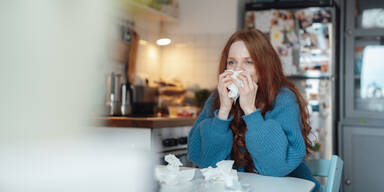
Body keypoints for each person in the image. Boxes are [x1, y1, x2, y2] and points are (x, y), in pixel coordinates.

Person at [187, 29, 320, 192]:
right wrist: (223, 111)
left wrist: (250, 110)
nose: (238, 70)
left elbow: (277, 167)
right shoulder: (217, 98)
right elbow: (207, 163)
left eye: (248, 62)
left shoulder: (283, 98)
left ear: (264, 65)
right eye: (232, 62)